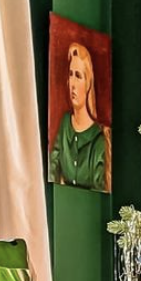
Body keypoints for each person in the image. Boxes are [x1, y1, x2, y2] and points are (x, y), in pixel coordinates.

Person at [49, 41, 110, 191]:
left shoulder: (98, 139)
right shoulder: (65, 125)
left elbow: (99, 187)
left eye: (78, 76)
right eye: (71, 74)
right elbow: (52, 169)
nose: (73, 84)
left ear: (88, 83)